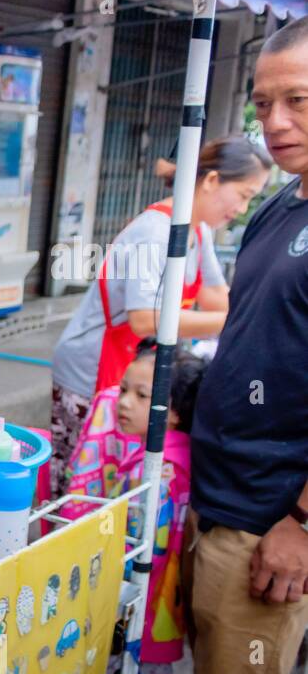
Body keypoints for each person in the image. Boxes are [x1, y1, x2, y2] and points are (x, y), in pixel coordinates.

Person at [186, 16, 308, 674]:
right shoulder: (278, 207)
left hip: (272, 513)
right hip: (217, 495)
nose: (275, 123)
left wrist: (300, 522)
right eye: (263, 103)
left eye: (298, 100)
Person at [48, 136, 271, 494]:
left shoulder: (196, 231)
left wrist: (261, 318)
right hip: (91, 368)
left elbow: (217, 297)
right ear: (212, 181)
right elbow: (145, 318)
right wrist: (236, 324)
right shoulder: (156, 232)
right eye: (243, 195)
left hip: (132, 368)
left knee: (117, 478)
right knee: (79, 480)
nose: (242, 209)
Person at [64, 341, 205, 674]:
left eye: (142, 396)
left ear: (177, 413)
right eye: (124, 389)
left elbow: (142, 549)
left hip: (134, 616)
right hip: (160, 623)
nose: (122, 402)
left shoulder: (161, 472)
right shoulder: (174, 456)